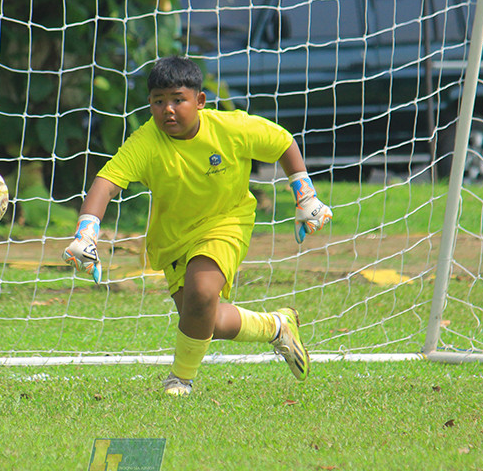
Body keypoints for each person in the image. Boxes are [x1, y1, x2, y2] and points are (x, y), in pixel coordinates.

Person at [63, 56, 333, 396]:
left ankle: (180, 380)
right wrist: (86, 231)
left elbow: (282, 143)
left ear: (200, 101)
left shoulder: (231, 128)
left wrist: (304, 194)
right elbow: (107, 182)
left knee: (203, 292)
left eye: (178, 99)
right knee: (207, 319)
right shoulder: (146, 141)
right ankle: (278, 326)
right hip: (173, 241)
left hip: (226, 221)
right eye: (158, 102)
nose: (168, 109)